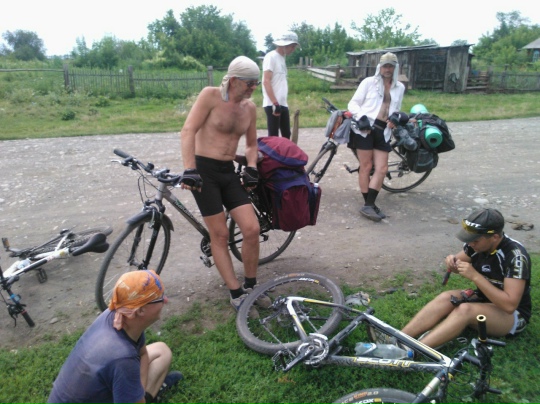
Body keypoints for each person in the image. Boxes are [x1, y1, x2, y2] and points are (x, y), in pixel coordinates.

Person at [179, 55, 270, 312]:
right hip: (204, 171)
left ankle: (250, 286)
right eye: (249, 83)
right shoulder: (210, 96)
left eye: (256, 83)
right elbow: (188, 130)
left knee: (251, 229)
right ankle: (235, 293)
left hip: (227, 171)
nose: (254, 87)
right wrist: (189, 169)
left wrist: (251, 167)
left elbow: (251, 144)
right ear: (233, 80)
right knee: (219, 234)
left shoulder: (249, 108)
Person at [400, 208, 532, 349]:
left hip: (513, 315)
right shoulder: (476, 246)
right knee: (447, 297)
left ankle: (413, 350)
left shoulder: (515, 256)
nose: (470, 244)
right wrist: (452, 262)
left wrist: (475, 276)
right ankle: (398, 338)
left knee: (465, 310)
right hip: (485, 299)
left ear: (494, 237)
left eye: (475, 240)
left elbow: (509, 305)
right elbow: (457, 264)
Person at [48, 270, 183, 404]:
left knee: (162, 351)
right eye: (160, 298)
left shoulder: (122, 313)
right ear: (140, 310)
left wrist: (138, 392)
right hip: (117, 369)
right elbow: (128, 361)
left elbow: (142, 354)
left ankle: (141, 397)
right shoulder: (123, 359)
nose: (166, 300)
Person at [347, 52, 405, 222]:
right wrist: (361, 117)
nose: (387, 69)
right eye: (385, 66)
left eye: (391, 66)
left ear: (395, 68)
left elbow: (396, 108)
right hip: (365, 129)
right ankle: (369, 204)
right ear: (380, 67)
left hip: (383, 131)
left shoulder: (399, 87)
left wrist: (395, 117)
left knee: (382, 168)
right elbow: (353, 103)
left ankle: (369, 205)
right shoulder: (368, 83)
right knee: (366, 166)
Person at [262, 31, 300, 139]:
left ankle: (285, 151)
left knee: (286, 135)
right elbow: (266, 81)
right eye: (292, 46)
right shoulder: (271, 57)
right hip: (272, 103)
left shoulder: (282, 58)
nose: (293, 49)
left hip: (282, 103)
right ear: (285, 45)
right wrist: (275, 103)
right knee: (273, 136)